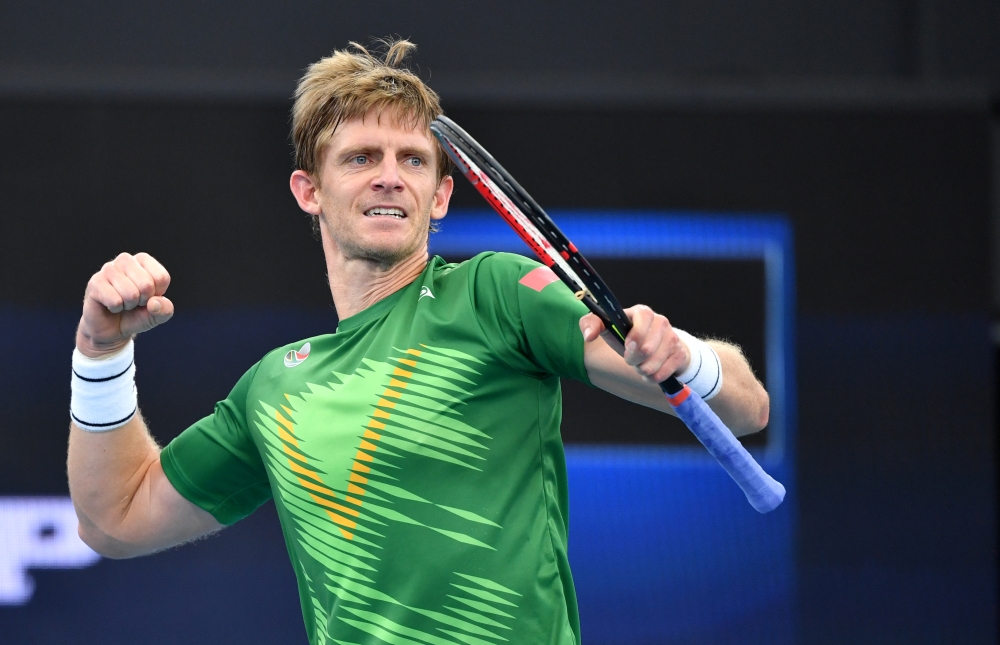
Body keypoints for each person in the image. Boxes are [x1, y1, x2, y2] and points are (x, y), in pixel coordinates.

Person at [67, 39, 769, 645]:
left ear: (439, 195)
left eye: (413, 160)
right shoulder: (274, 386)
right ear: (309, 190)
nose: (389, 176)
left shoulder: (495, 294)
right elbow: (117, 517)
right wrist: (100, 351)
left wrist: (686, 357)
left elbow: (743, 406)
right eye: (362, 156)